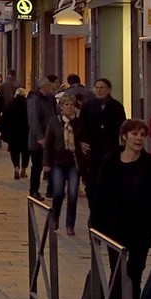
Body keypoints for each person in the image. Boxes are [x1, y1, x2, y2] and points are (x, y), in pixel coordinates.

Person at [90, 116, 151, 299]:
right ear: (124, 136)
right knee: (116, 275)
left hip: (140, 231)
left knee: (134, 276)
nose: (139, 138)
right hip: (114, 229)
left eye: (142, 134)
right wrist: (95, 228)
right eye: (134, 133)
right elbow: (100, 196)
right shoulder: (110, 161)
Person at [74, 77, 126, 191]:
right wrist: (81, 142)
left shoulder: (117, 106)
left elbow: (123, 128)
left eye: (102, 87)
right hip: (91, 149)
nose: (99, 90)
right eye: (97, 87)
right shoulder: (87, 106)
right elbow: (80, 126)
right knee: (92, 182)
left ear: (109, 90)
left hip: (110, 147)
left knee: (109, 181)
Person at [44, 91, 83, 236]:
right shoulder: (55, 122)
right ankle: (55, 217)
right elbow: (48, 143)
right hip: (58, 161)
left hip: (73, 162)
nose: (69, 107)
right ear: (61, 106)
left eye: (72, 105)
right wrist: (46, 163)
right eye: (66, 104)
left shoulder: (78, 122)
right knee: (58, 192)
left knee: (73, 193)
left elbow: (82, 140)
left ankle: (70, 225)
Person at [23, 79, 56, 199]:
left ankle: (51, 190)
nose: (50, 88)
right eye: (48, 86)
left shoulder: (49, 99)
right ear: (43, 87)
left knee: (52, 163)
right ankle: (34, 190)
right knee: (37, 166)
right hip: (37, 140)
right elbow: (33, 120)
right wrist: (40, 136)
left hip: (50, 137)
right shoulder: (34, 100)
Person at [1, 76, 29, 178]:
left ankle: (16, 168)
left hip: (13, 134)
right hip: (25, 133)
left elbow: (4, 120)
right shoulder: (27, 105)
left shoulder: (10, 105)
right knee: (26, 152)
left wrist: (4, 133)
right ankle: (24, 170)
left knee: (14, 151)